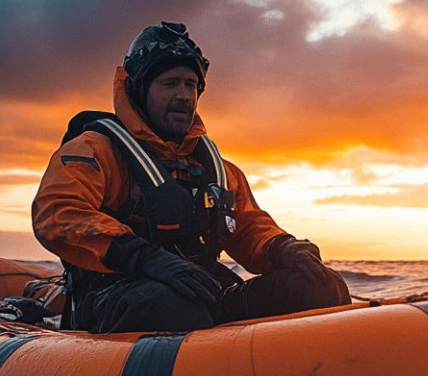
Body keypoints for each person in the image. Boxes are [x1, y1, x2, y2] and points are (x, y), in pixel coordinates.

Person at [32, 21, 349, 332]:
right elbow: (58, 214)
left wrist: (281, 247)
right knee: (178, 305)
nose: (184, 95)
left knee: (322, 285)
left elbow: (247, 226)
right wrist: (143, 257)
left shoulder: (218, 170)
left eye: (191, 85)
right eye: (170, 84)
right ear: (139, 90)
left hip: (200, 291)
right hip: (116, 294)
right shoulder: (95, 150)